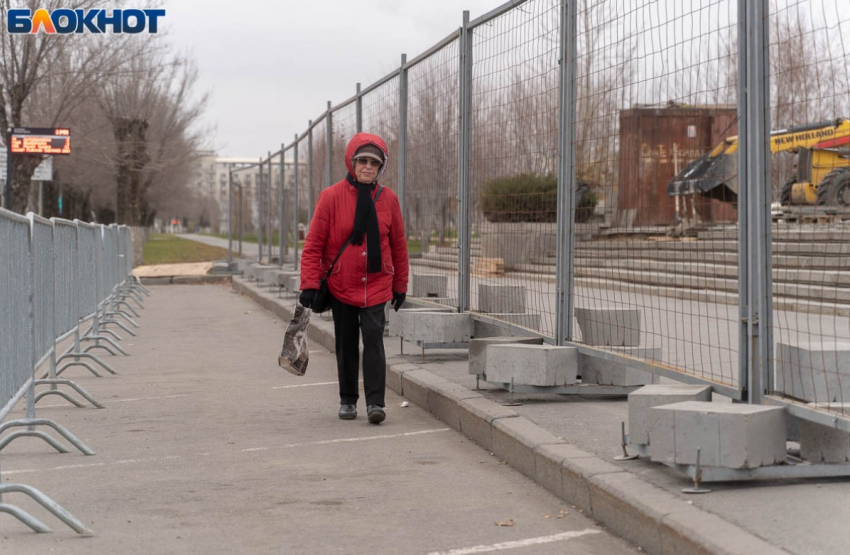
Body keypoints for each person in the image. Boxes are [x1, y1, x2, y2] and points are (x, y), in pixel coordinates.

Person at [299, 132, 409, 424]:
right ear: (352, 162)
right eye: (362, 160)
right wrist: (309, 284)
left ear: (380, 167)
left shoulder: (389, 200)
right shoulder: (331, 197)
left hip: (376, 284)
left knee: (374, 339)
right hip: (341, 283)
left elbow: (398, 245)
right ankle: (348, 400)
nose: (367, 167)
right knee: (346, 343)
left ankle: (376, 403)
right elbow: (313, 246)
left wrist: (400, 286)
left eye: (374, 162)